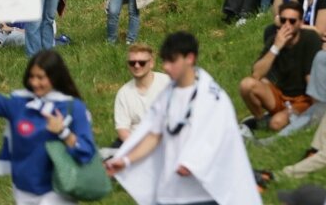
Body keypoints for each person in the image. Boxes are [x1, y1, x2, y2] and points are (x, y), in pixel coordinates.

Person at [107, 32, 261, 204]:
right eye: (164, 61)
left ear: (190, 58)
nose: (165, 67)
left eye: (172, 61)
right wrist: (126, 160)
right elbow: (153, 134)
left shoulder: (212, 96)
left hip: (206, 191)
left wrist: (192, 163)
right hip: (173, 190)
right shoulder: (168, 94)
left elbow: (218, 139)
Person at [0, 49, 99, 204]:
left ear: (54, 77)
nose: (34, 82)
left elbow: (86, 151)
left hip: (57, 190)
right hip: (23, 189)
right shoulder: (19, 103)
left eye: (40, 77)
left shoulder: (73, 107)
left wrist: (64, 132)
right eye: (32, 76)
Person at [239, 1, 321, 133]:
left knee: (276, 124)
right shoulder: (275, 40)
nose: (287, 25)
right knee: (246, 85)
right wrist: (276, 48)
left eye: (292, 21)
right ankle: (261, 121)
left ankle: (279, 120)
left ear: (300, 23)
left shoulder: (310, 39)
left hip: (303, 100)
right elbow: (256, 74)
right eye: (283, 20)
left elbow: (311, 78)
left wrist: (317, 112)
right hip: (280, 96)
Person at [113, 44, 172, 149]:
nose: (137, 66)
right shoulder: (123, 93)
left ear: (151, 63)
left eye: (142, 63)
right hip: (135, 143)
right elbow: (122, 130)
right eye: (132, 63)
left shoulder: (168, 84)